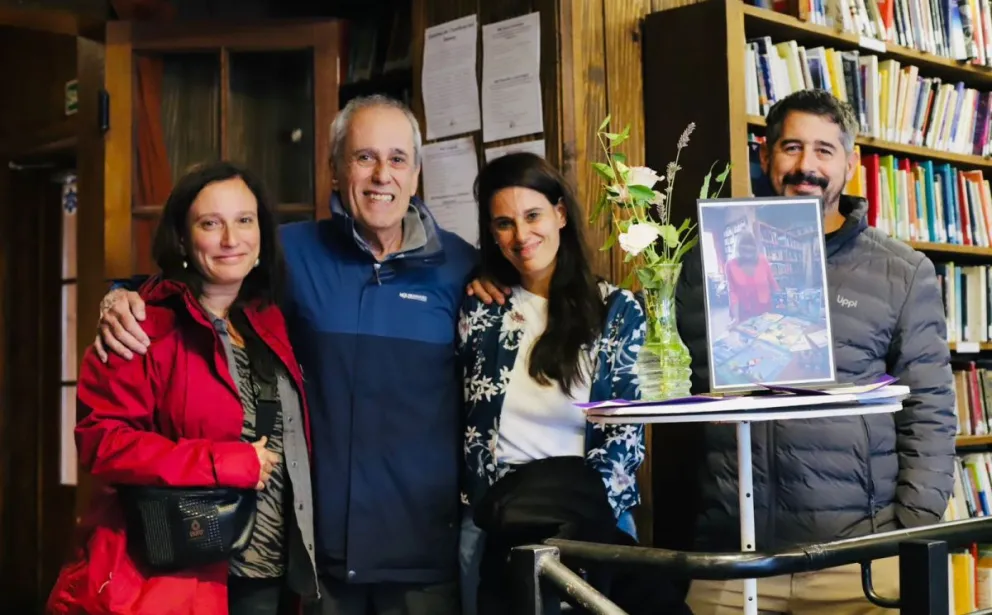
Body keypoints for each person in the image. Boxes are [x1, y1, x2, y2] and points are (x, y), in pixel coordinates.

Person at [91, 95, 475, 615]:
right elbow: (194, 281)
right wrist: (120, 294)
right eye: (363, 157)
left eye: (398, 158)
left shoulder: (464, 269)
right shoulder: (292, 253)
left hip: (421, 554)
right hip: (313, 563)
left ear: (416, 171)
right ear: (336, 170)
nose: (382, 174)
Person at [676, 89, 956, 614]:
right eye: (792, 147)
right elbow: (682, 389)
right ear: (765, 155)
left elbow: (931, 415)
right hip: (734, 557)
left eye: (825, 150)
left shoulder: (901, 271)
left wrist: (906, 536)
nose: (807, 166)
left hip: (856, 562)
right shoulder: (707, 262)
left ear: (850, 163)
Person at [45, 161, 319, 615]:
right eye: (211, 224)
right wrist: (226, 463)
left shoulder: (268, 319)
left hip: (269, 574)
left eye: (244, 221)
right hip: (177, 578)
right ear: (184, 238)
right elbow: (102, 442)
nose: (232, 240)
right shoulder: (138, 327)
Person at [724, 229, 779, 324]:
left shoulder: (763, 260)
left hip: (766, 312)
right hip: (743, 315)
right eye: (744, 246)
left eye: (751, 246)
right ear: (737, 247)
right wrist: (736, 317)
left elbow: (772, 282)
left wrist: (782, 303)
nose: (748, 249)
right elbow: (732, 293)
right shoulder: (730, 265)